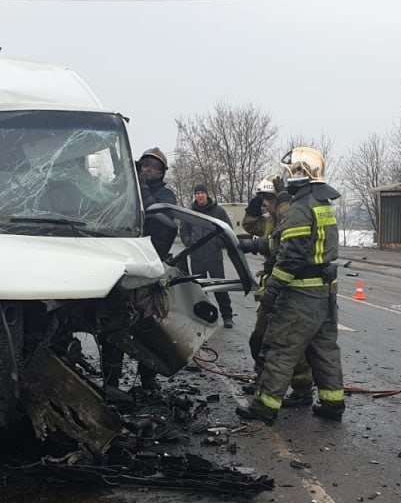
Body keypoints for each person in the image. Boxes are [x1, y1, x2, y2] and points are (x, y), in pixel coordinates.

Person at [237, 147, 344, 424]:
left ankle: (264, 408)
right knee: (324, 350)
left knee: (281, 350)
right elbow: (286, 242)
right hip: (325, 293)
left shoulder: (299, 209)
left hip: (300, 295)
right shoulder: (322, 205)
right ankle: (333, 404)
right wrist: (255, 244)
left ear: (300, 174)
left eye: (291, 172)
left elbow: (291, 256)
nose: (287, 179)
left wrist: (272, 292)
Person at [102, 147, 177, 394]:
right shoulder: (124, 190)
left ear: (162, 172)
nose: (148, 170)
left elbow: (163, 223)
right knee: (113, 325)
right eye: (144, 166)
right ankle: (111, 383)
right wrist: (124, 180)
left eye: (154, 167)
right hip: (121, 267)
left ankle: (148, 381)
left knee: (149, 327)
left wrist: (141, 189)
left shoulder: (165, 195)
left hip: (150, 271)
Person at [240, 175, 313, 406]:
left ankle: (302, 390)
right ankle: (262, 380)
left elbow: (282, 241)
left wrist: (282, 200)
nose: (266, 206)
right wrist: (255, 201)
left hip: (285, 287)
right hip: (271, 287)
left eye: (268, 201)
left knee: (286, 344)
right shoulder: (268, 221)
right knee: (259, 341)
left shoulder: (288, 218)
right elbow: (250, 224)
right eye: (264, 202)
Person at [179, 183, 235, 328]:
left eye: (202, 193)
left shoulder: (218, 211)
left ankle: (227, 316)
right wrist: (189, 242)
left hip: (213, 256)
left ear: (207, 194)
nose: (200, 195)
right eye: (197, 193)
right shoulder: (190, 213)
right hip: (197, 257)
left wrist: (218, 243)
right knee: (200, 289)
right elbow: (183, 231)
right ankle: (203, 318)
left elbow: (227, 230)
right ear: (195, 195)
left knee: (219, 287)